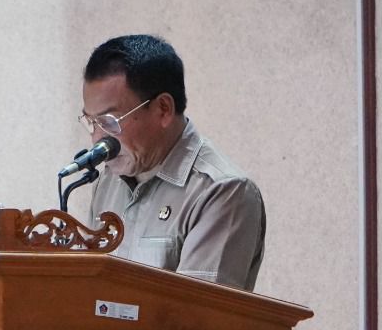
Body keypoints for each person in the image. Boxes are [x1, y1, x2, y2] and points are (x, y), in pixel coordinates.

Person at [79, 35, 266, 291]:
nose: (97, 139)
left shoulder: (222, 191)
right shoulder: (108, 182)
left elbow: (197, 309)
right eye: (91, 122)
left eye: (110, 122)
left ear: (163, 109)